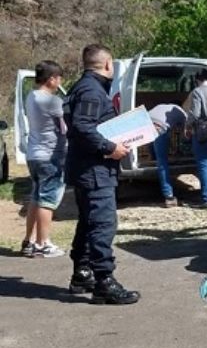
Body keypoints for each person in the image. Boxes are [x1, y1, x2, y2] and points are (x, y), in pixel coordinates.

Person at [64, 43, 139, 305]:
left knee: (88, 223)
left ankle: (82, 274)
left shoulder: (83, 87)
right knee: (103, 225)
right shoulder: (92, 91)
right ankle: (104, 282)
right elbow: (83, 127)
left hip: (90, 169)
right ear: (108, 65)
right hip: (94, 170)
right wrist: (110, 147)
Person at [20, 60, 67, 258]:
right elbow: (65, 127)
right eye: (58, 79)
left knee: (36, 198)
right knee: (48, 200)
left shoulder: (31, 96)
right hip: (50, 156)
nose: (59, 82)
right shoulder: (52, 101)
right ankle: (43, 243)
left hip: (34, 155)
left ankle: (29, 241)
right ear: (51, 80)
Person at [184, 69, 207, 210]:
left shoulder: (198, 92)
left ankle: (205, 199)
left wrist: (187, 126)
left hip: (203, 131)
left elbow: (195, 113)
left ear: (198, 80)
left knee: (204, 164)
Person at [147, 104, 187, 207]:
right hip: (159, 127)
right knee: (162, 162)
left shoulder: (161, 106)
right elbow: (185, 133)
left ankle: (152, 158)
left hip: (146, 122)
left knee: (153, 143)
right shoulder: (182, 113)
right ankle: (168, 196)